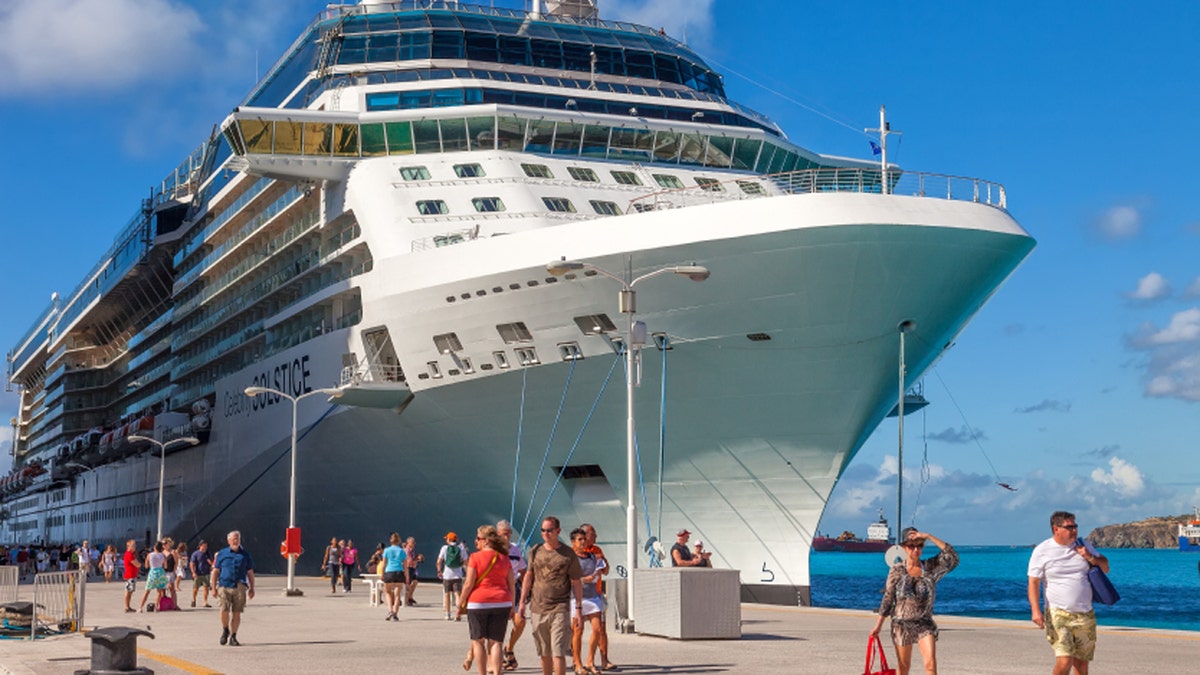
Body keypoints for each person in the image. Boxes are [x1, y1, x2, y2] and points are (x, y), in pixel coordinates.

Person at [1028, 511, 1109, 675]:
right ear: (1056, 529)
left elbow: (1105, 567)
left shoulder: (1083, 545)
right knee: (1065, 660)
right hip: (1058, 612)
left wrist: (1090, 557)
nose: (1074, 530)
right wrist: (1035, 610)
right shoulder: (1042, 550)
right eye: (1069, 527)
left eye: (1075, 526)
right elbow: (1033, 582)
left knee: (1081, 664)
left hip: (1085, 613)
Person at [870, 528, 959, 675]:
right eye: (911, 546)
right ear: (904, 547)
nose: (916, 549)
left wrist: (928, 536)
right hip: (901, 625)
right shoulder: (897, 570)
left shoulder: (930, 568)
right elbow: (888, 598)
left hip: (924, 623)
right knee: (903, 668)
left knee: (930, 663)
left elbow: (952, 557)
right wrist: (878, 626)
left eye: (919, 546)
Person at [518, 516, 583, 675]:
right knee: (544, 653)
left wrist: (579, 609)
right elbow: (528, 576)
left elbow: (576, 582)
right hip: (538, 608)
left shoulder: (568, 554)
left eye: (549, 530)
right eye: (543, 530)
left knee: (558, 651)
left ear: (558, 531)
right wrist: (521, 602)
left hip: (560, 608)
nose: (545, 533)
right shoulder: (535, 550)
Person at [458, 525, 516, 675]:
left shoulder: (475, 557)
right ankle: (497, 672)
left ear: (486, 541)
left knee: (478, 641)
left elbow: (469, 583)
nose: (475, 540)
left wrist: (460, 603)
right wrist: (512, 605)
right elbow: (511, 584)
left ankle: (482, 673)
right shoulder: (504, 558)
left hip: (478, 602)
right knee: (496, 641)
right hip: (502, 601)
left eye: (478, 538)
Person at [569, 528, 606, 675]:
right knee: (578, 631)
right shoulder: (571, 558)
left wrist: (601, 566)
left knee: (597, 629)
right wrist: (585, 579)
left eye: (584, 539)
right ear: (573, 542)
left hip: (592, 596)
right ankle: (577, 663)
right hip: (576, 597)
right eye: (580, 539)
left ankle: (590, 660)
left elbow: (604, 569)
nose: (583, 542)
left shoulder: (592, 556)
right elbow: (568, 579)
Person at [581, 523, 617, 672]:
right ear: (585, 535)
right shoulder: (576, 551)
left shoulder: (597, 550)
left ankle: (603, 660)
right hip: (579, 595)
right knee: (576, 629)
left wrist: (603, 560)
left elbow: (606, 571)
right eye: (593, 534)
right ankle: (578, 660)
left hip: (596, 594)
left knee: (601, 628)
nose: (596, 537)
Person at [211, 530, 255, 646]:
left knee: (237, 613)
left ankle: (233, 636)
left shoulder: (245, 555)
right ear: (229, 540)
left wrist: (252, 588)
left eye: (238, 538)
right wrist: (213, 588)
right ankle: (225, 629)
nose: (236, 541)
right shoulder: (222, 553)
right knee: (224, 610)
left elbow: (250, 572)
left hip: (240, 586)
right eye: (234, 539)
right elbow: (216, 571)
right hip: (224, 585)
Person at [498, 520, 527, 672]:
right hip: (499, 590)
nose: (507, 536)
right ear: (498, 535)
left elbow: (522, 570)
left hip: (514, 589)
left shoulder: (515, 549)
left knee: (520, 621)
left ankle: (509, 648)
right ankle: (497, 658)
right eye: (504, 534)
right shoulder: (494, 550)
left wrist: (528, 589)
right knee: (499, 626)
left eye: (509, 533)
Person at [437, 532, 469, 621]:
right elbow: (466, 561)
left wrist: (439, 571)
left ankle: (447, 614)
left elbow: (439, 561)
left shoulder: (444, 548)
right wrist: (461, 564)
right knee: (457, 594)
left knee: (447, 594)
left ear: (449, 540)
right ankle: (458, 613)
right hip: (457, 575)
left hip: (447, 575)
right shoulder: (461, 548)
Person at [382, 532, 407, 621]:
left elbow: (384, 563)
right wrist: (406, 576)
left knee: (388, 592)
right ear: (399, 541)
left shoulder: (386, 550)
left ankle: (390, 610)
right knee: (397, 594)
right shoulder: (402, 551)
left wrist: (382, 574)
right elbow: (405, 565)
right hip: (399, 571)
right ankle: (395, 613)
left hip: (389, 571)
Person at [138, 541, 169, 612]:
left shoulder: (150, 555)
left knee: (147, 590)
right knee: (159, 591)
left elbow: (146, 566)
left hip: (153, 572)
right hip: (160, 572)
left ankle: (140, 607)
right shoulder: (163, 555)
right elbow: (165, 566)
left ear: (154, 547)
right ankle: (156, 607)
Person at [190, 540, 214, 608]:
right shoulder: (195, 554)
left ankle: (205, 601)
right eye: (204, 546)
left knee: (206, 587)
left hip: (206, 572)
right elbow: (192, 563)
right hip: (198, 573)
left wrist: (211, 564)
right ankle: (193, 599)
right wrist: (193, 572)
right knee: (195, 588)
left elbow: (211, 562)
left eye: (206, 546)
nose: (205, 547)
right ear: (200, 546)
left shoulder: (207, 553)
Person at [122, 539, 142, 612]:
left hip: (133, 575)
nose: (134, 547)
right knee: (128, 591)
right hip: (130, 575)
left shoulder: (132, 554)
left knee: (130, 591)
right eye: (133, 545)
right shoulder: (129, 554)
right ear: (128, 546)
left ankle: (128, 606)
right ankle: (127, 607)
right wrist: (139, 564)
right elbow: (137, 564)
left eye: (135, 545)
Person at [403, 536, 423, 606]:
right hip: (409, 568)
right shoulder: (407, 550)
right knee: (407, 584)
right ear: (408, 542)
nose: (414, 543)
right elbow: (410, 560)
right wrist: (417, 559)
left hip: (413, 568)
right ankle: (406, 600)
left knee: (415, 582)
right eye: (412, 542)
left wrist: (417, 557)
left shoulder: (412, 550)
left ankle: (410, 596)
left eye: (414, 542)